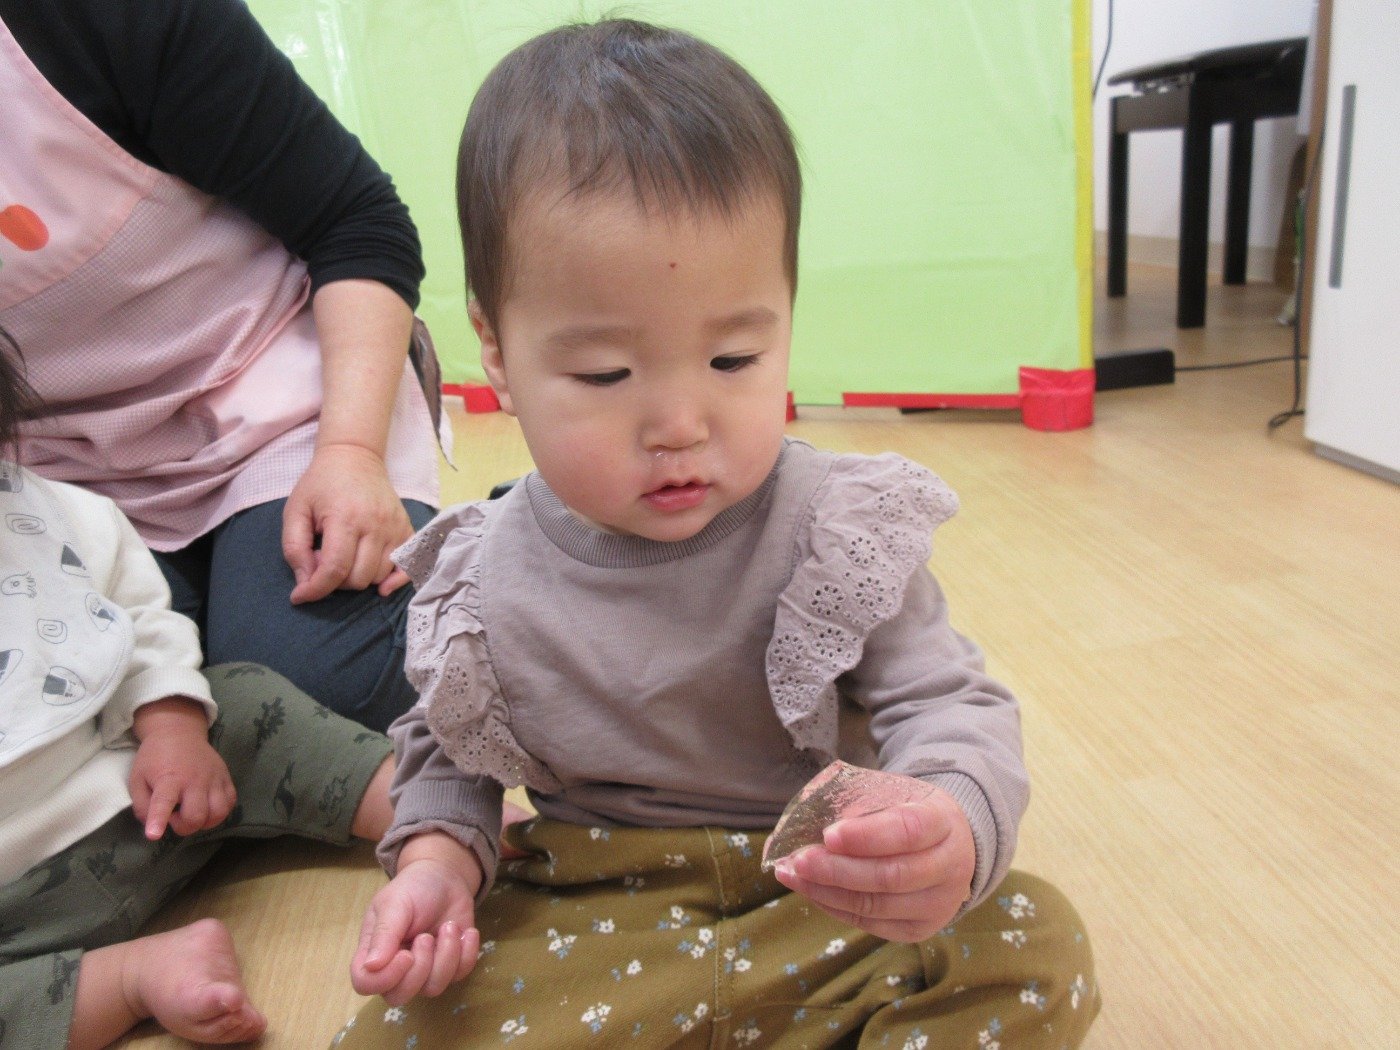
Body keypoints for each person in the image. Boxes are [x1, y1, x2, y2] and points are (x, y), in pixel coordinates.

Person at [337, 19, 1099, 1049]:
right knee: (402, 1026)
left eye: (734, 359)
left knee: (1031, 944)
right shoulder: (481, 574)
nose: (679, 424)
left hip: (823, 893)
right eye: (605, 373)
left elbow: (944, 700)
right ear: (497, 352)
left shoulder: (837, 532)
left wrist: (946, 821)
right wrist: (436, 868)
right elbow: (446, 755)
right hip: (595, 909)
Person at [0, 0, 446, 732]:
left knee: (305, 695)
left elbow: (357, 220)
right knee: (75, 720)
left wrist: (352, 452)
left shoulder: (99, 19)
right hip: (58, 475)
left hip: (272, 393)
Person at [0, 325, 399, 1049]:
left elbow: (138, 617)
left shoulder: (48, 515)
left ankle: (429, 810)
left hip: (143, 793)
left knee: (243, 702)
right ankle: (128, 979)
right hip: (15, 919)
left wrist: (173, 725)